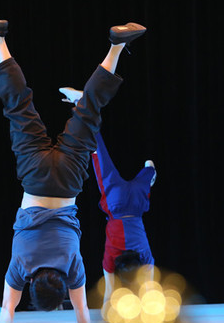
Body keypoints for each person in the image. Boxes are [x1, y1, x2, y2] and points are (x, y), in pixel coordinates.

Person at [0, 19, 146, 323]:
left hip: (68, 181)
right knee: (18, 107)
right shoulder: (21, 266)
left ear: (61, 289)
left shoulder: (71, 266)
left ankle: (116, 46)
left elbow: (82, 310)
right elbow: (6, 309)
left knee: (89, 108)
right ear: (32, 286)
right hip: (35, 177)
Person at [61, 85, 157, 305]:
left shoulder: (144, 255)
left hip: (136, 204)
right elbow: (108, 297)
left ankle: (150, 172)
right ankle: (81, 104)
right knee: (98, 152)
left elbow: (150, 288)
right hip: (116, 204)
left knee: (148, 169)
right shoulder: (111, 257)